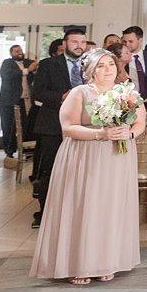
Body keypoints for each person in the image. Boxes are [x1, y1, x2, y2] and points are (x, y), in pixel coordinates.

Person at [29, 48, 144, 284]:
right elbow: (68, 127)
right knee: (84, 207)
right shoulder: (79, 93)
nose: (107, 70)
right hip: (85, 156)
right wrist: (100, 134)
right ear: (90, 70)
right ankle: (78, 263)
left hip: (116, 158)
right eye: (101, 66)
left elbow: (140, 122)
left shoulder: (127, 92)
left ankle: (106, 261)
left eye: (110, 64)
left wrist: (129, 133)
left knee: (109, 208)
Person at [29, 28, 89, 229]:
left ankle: (75, 213)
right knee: (51, 170)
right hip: (53, 125)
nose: (79, 45)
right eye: (74, 42)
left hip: (84, 125)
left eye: (82, 41)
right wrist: (62, 97)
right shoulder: (48, 65)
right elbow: (38, 92)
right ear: (65, 44)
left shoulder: (90, 65)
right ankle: (45, 212)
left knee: (80, 172)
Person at [0, 45, 30, 166]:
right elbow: (7, 75)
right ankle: (9, 151)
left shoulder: (26, 63)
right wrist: (27, 71)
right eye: (17, 51)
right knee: (8, 126)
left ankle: (24, 150)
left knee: (25, 125)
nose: (20, 53)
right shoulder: (7, 63)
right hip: (8, 101)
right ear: (11, 53)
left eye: (21, 51)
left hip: (23, 100)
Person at [120, 27, 147, 108]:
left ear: (140, 40)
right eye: (124, 41)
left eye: (131, 41)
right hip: (130, 105)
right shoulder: (121, 59)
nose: (127, 44)